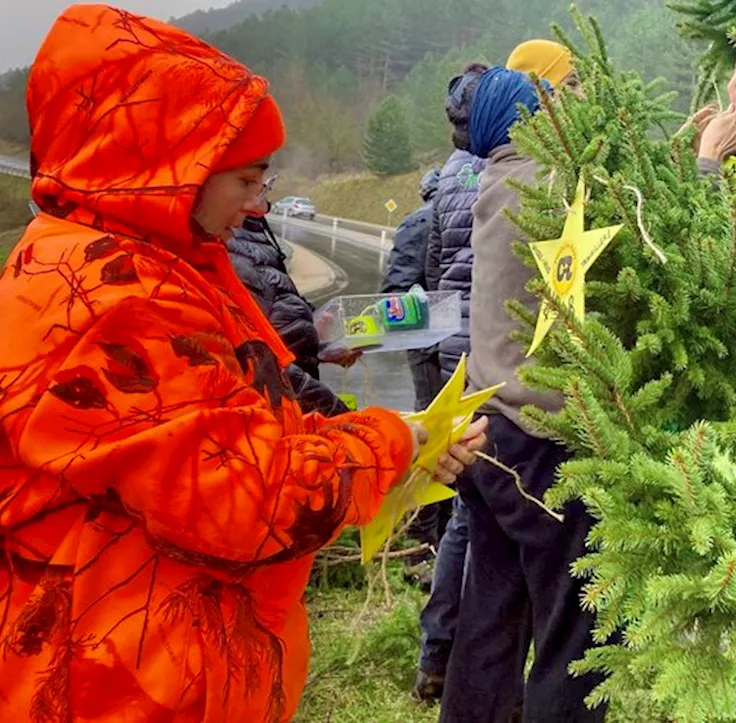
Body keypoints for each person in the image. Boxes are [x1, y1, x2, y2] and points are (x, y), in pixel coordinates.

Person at [0, 6, 485, 721]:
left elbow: (239, 418)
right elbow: (247, 498)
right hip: (117, 676)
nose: (259, 206)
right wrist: (394, 441)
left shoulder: (129, 260)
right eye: (247, 180)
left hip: (133, 655)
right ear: (173, 167)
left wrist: (396, 446)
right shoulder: (115, 295)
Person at [439, 66, 604, 723]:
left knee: (492, 613)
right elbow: (637, 213)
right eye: (542, 107)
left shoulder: (502, 179)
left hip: (490, 430)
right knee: (578, 622)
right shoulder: (545, 183)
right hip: (537, 439)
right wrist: (707, 160)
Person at [413, 61, 490, 703]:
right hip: (489, 347)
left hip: (449, 345)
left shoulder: (444, 182)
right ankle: (455, 658)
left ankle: (437, 654)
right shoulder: (504, 174)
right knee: (478, 510)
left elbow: (437, 267)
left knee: (465, 503)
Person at [229, 186, 354, 417]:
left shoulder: (251, 233)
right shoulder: (228, 245)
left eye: (266, 186)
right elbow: (264, 365)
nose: (264, 204)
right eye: (248, 180)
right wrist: (343, 418)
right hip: (283, 415)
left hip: (297, 409)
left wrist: (318, 345)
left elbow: (275, 313)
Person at [381, 169, 445, 412]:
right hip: (473, 336)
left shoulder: (418, 221)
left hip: (428, 338)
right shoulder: (477, 211)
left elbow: (397, 288)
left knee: (431, 413)